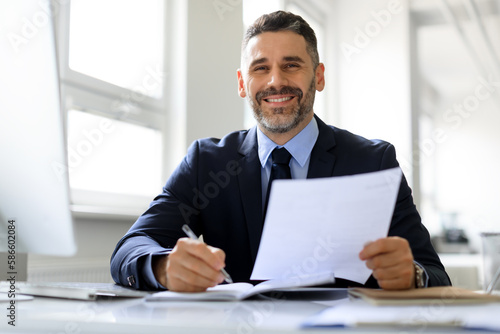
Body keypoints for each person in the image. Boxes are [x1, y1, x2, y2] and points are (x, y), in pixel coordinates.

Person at [110, 11, 450, 292]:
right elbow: (131, 246)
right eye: (261, 67)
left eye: (291, 65)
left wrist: (412, 275)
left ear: (318, 76)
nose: (275, 81)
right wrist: (163, 266)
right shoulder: (207, 162)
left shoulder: (372, 162)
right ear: (243, 83)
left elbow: (435, 275)